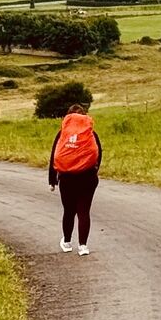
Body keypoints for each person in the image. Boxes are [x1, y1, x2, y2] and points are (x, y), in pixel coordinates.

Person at [48, 104, 102, 255]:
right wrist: (93, 171)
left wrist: (52, 180)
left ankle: (66, 242)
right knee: (84, 211)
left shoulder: (63, 134)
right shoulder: (91, 134)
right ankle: (83, 246)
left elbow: (55, 156)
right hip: (88, 178)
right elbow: (98, 154)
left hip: (67, 178)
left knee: (69, 211)